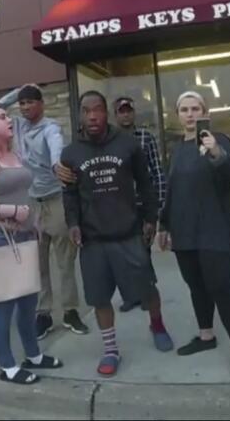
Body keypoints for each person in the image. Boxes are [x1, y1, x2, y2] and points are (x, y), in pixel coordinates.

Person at [61, 91, 173, 378]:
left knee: (147, 290)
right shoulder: (71, 153)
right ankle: (110, 350)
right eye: (86, 111)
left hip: (128, 234)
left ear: (106, 113)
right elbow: (70, 195)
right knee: (99, 299)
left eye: (97, 110)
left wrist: (150, 218)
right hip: (93, 240)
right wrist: (72, 223)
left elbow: (145, 183)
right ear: (80, 116)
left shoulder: (128, 144)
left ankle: (157, 325)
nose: (92, 116)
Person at [0, 105, 63, 385]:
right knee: (4, 306)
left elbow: (23, 193)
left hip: (24, 237)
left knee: (29, 302)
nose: (10, 120)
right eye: (2, 117)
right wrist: (12, 212)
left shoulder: (14, 156)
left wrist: (32, 222)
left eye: (8, 116)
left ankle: (33, 355)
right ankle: (7, 366)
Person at [157, 91, 230, 378]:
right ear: (177, 114)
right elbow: (171, 190)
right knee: (196, 286)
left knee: (221, 287)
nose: (190, 114)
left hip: (215, 230)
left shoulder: (218, 141)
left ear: (205, 112)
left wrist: (215, 152)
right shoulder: (176, 148)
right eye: (184, 109)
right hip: (184, 231)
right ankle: (206, 336)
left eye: (195, 108)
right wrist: (163, 224)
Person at [0, 84, 88, 339]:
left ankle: (70, 311)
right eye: (22, 103)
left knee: (65, 260)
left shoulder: (51, 129)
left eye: (30, 102)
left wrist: (58, 165)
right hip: (31, 202)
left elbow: (57, 149)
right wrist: (18, 91)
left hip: (55, 200)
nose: (25, 107)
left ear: (41, 104)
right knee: (38, 263)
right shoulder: (18, 124)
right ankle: (43, 314)